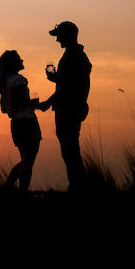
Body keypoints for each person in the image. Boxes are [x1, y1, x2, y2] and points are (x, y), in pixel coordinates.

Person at [41, 21, 92, 192]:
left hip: (68, 109)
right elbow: (70, 82)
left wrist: (48, 102)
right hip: (73, 107)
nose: (57, 40)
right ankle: (78, 185)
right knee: (70, 149)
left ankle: (78, 187)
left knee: (69, 150)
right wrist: (57, 79)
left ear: (69, 35)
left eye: (59, 36)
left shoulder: (72, 56)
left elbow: (67, 87)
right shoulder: (77, 55)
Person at [0, 50, 45, 195]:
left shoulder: (5, 82)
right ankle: (22, 194)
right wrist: (37, 105)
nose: (22, 61)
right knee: (28, 162)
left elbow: (4, 109)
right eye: (19, 59)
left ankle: (7, 188)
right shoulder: (19, 80)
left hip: (16, 124)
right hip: (28, 122)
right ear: (13, 64)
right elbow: (23, 102)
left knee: (25, 160)